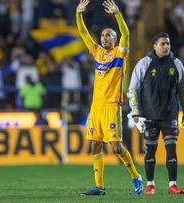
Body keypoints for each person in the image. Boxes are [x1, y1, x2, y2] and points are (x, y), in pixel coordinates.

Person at [76, 0, 142, 196]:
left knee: (116, 147)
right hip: (96, 106)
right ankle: (99, 187)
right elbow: (83, 33)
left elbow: (127, 34)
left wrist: (118, 15)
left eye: (109, 36)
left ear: (115, 40)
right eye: (103, 35)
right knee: (95, 144)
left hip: (112, 106)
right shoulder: (96, 51)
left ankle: (135, 176)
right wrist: (78, 15)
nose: (105, 38)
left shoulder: (120, 53)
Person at [127, 32, 184, 195]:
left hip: (170, 114)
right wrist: (135, 111)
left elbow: (183, 89)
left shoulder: (176, 64)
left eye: (168, 44)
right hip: (149, 116)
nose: (166, 47)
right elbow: (132, 89)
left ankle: (173, 185)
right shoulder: (144, 64)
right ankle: (150, 185)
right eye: (162, 44)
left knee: (171, 149)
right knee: (150, 150)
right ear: (154, 46)